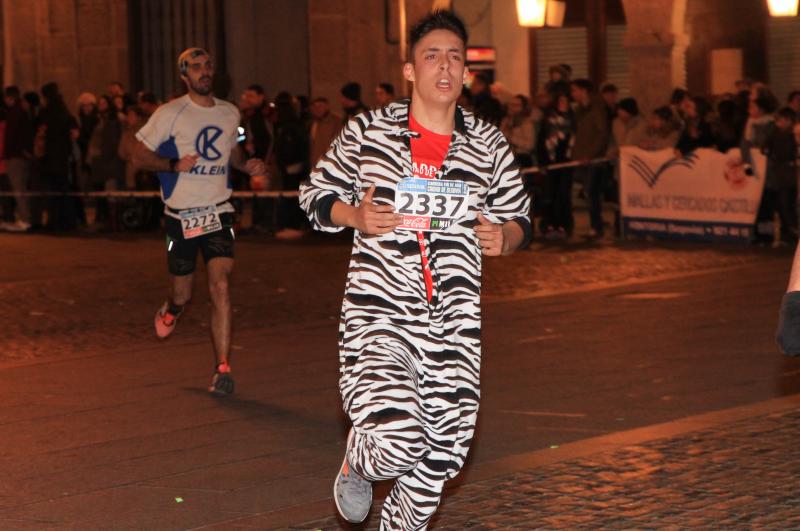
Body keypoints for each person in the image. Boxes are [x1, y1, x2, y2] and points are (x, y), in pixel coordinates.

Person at [299, 10, 530, 529]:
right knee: (397, 441)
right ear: (410, 70)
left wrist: (505, 238)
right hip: (379, 316)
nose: (444, 66)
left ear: (467, 74)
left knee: (443, 458)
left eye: (455, 57)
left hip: (455, 325)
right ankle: (359, 459)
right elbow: (313, 196)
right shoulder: (368, 132)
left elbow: (519, 217)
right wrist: (355, 215)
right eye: (432, 55)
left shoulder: (488, 146)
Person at [132, 47, 264, 395]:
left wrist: (246, 165)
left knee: (220, 285)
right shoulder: (170, 113)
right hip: (180, 217)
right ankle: (173, 309)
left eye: (208, 66)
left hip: (219, 211)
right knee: (183, 292)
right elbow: (135, 154)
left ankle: (222, 368)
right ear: (183, 74)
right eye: (196, 67)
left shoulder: (230, 112)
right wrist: (172, 165)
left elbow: (234, 151)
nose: (204, 72)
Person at [571, 78, 610, 238]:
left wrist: (592, 154)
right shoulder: (580, 110)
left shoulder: (597, 109)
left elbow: (602, 134)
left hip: (593, 159)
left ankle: (597, 225)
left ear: (583, 91)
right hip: (582, 156)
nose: (572, 94)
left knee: (592, 191)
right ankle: (596, 223)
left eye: (574, 90)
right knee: (587, 192)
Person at [537, 92, 575, 239]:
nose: (563, 104)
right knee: (549, 195)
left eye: (566, 101)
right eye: (561, 101)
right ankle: (549, 225)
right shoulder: (548, 121)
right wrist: (542, 162)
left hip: (566, 163)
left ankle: (564, 225)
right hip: (550, 163)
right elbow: (541, 141)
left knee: (563, 196)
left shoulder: (573, 120)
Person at [761, 107, 797, 246]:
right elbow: (764, 148)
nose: (778, 123)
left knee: (788, 203)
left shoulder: (793, 134)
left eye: (781, 120)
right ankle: (786, 234)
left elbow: (790, 152)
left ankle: (791, 231)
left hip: (790, 174)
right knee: (781, 205)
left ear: (789, 121)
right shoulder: (774, 133)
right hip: (778, 174)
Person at [2, 86, 34, 232]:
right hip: (22, 155)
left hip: (16, 156)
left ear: (10, 98)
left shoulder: (14, 114)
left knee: (18, 189)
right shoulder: (23, 112)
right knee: (20, 188)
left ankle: (25, 220)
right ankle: (24, 218)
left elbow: (11, 136)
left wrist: (7, 154)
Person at [500, 94, 536, 166]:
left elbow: (530, 145)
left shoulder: (526, 123)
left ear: (523, 107)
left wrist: (511, 137)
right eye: (510, 105)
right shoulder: (506, 121)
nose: (512, 108)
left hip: (521, 157)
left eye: (516, 105)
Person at [308, 96, 341, 167]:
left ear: (327, 106)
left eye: (320, 106)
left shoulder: (336, 121)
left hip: (330, 163)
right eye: (315, 107)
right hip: (315, 163)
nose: (317, 109)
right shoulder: (314, 122)